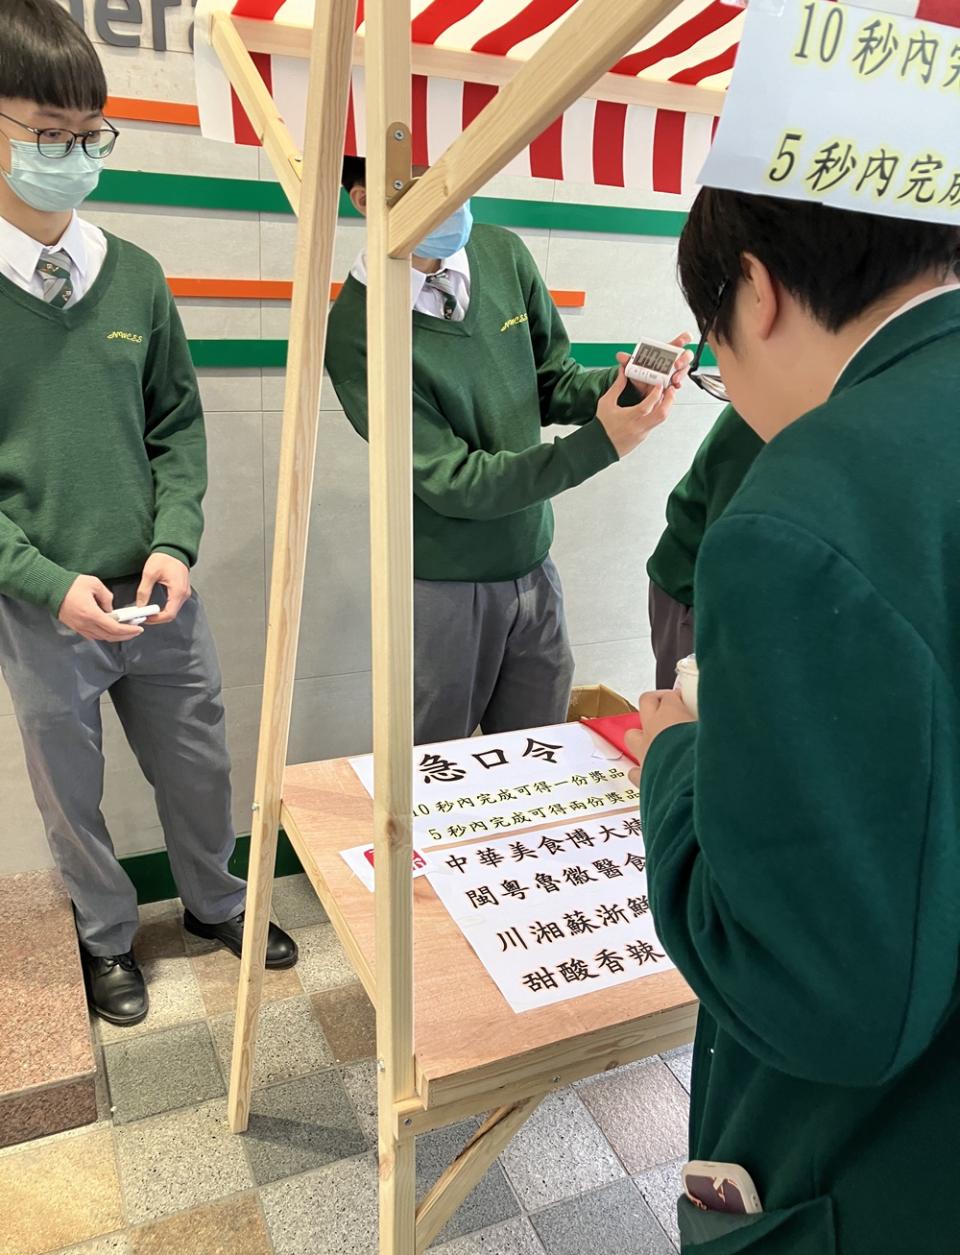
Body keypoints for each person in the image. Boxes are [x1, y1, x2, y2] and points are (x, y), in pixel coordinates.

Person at [628, 187, 960, 1255]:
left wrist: (676, 758)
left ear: (756, 290)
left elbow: (817, 994)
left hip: (890, 1186)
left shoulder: (804, 509)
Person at [0, 0, 297, 1027]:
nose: (75, 156)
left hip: (159, 591)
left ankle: (218, 902)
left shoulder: (133, 276)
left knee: (200, 764)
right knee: (69, 791)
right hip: (43, 605)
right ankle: (105, 937)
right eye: (49, 135)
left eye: (91, 135)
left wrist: (175, 542)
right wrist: (45, 583)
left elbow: (177, 425)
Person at [327, 156, 690, 745]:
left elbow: (551, 382)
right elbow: (455, 482)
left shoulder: (502, 253)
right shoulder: (358, 333)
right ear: (367, 200)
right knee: (434, 766)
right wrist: (600, 445)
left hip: (534, 563)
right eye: (424, 183)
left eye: (455, 172)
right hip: (441, 583)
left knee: (538, 750)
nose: (453, 197)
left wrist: (625, 387)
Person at [647, 405, 762, 687]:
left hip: (735, 583)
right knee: (697, 707)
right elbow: (732, 550)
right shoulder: (757, 427)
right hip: (699, 590)